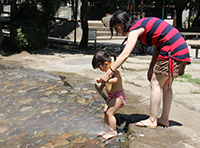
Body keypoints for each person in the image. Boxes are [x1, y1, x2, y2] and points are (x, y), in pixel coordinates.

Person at [99, 10, 191, 128]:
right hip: (180, 49)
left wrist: (109, 73)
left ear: (122, 23)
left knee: (155, 83)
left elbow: (125, 53)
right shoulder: (141, 24)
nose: (117, 32)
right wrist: (151, 67)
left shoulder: (135, 29)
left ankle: (152, 120)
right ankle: (164, 118)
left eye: (117, 28)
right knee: (167, 85)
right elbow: (157, 45)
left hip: (171, 51)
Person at [92, 50, 125, 139]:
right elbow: (108, 81)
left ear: (106, 64)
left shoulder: (116, 70)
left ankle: (113, 131)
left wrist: (105, 80)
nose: (100, 70)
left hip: (118, 96)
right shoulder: (108, 72)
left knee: (110, 113)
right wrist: (103, 85)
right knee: (105, 111)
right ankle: (106, 129)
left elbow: (115, 80)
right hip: (111, 96)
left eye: (100, 68)